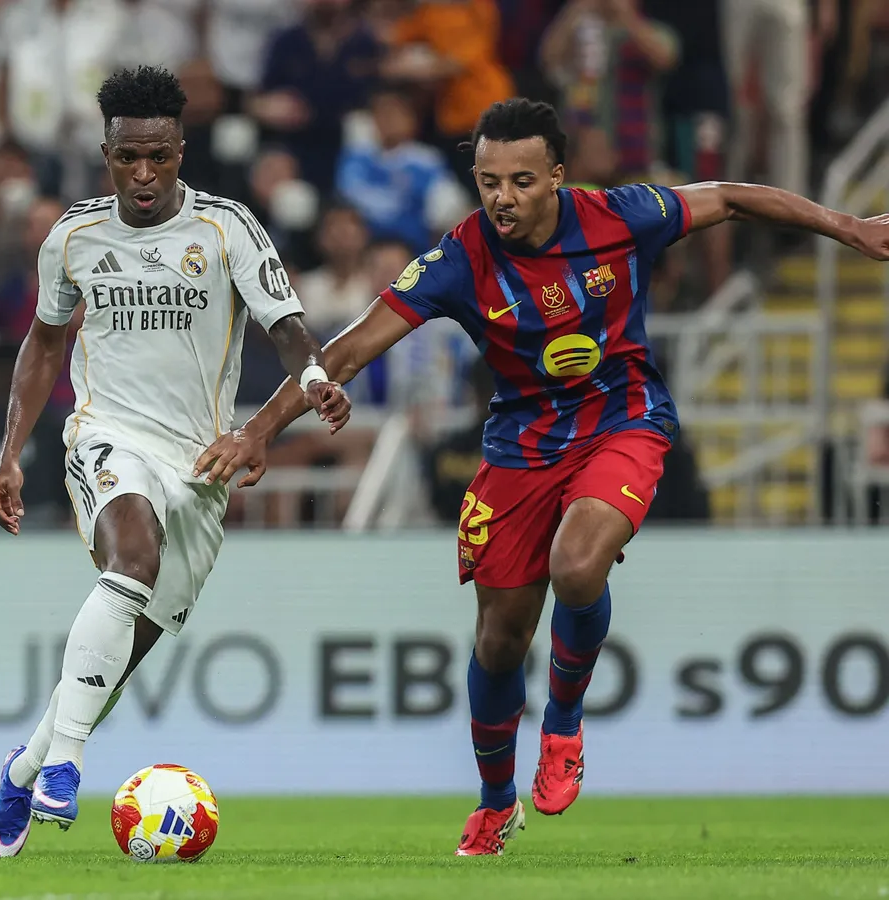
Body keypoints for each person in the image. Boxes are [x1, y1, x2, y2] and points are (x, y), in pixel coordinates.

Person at [194, 98, 889, 856]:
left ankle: (562, 726)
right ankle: (496, 804)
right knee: (498, 641)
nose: (503, 198)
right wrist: (259, 428)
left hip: (623, 420)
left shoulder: (622, 215)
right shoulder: (461, 259)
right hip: (520, 448)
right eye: (489, 181)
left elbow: (730, 198)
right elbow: (355, 346)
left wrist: (846, 225)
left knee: (577, 562)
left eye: (522, 180)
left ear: (557, 175)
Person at [0, 65, 349, 858]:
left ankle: (26, 769)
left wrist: (313, 376)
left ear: (182, 148)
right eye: (126, 159)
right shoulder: (73, 236)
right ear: (105, 152)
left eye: (159, 157)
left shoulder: (228, 228)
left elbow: (283, 323)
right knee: (132, 552)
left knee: (122, 652)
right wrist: (10, 455)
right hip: (107, 433)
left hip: (200, 466)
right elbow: (44, 343)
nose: (142, 176)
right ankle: (69, 766)